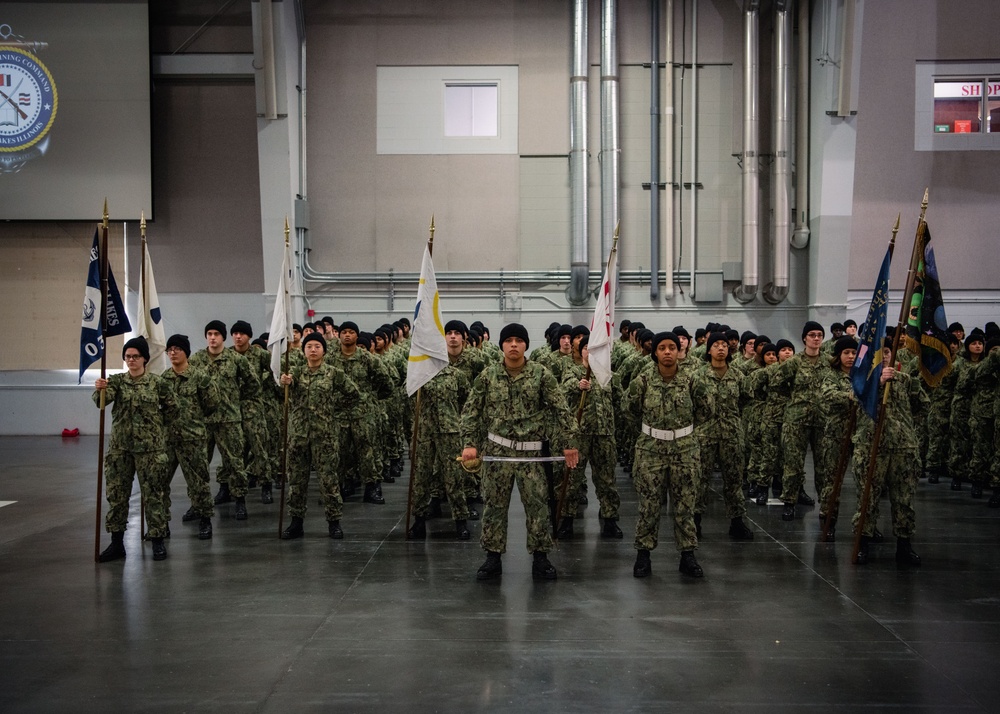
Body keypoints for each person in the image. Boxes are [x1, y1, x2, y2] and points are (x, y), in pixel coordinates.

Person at [460, 323, 580, 581]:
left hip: (531, 456)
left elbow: (561, 410)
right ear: (502, 345)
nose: (513, 344)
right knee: (494, 506)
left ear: (526, 345)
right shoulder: (488, 375)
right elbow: (471, 411)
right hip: (498, 452)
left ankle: (540, 556)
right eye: (509, 340)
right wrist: (470, 443)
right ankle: (492, 557)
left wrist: (570, 443)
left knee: (537, 506)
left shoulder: (541, 374)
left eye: (519, 340)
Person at [626, 332, 704, 578]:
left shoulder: (693, 379)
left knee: (685, 504)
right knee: (649, 505)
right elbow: (629, 410)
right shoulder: (643, 381)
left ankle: (688, 555)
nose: (668, 351)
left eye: (672, 347)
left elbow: (706, 409)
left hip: (685, 450)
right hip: (651, 450)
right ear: (655, 353)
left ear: (679, 350)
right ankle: (643, 555)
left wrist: (683, 432)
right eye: (662, 348)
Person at [93, 337, 172, 562]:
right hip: (121, 450)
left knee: (153, 494)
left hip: (151, 450)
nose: (131, 360)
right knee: (117, 495)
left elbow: (172, 409)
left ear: (145, 358)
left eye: (136, 356)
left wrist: (156, 431)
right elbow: (100, 402)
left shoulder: (158, 384)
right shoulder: (117, 382)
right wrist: (100, 388)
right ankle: (117, 543)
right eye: (128, 356)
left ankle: (157, 539)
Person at [279, 332, 363, 540]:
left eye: (317, 346)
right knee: (297, 480)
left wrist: (334, 411)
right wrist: (283, 384)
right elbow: (278, 397)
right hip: (298, 436)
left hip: (324, 436)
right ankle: (296, 521)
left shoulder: (334, 374)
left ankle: (334, 522)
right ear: (304, 350)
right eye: (309, 346)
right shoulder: (294, 374)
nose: (313, 350)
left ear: (324, 350)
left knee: (328, 480)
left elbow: (354, 394)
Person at [852, 340, 928, 565]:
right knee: (868, 497)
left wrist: (903, 426)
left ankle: (904, 545)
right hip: (870, 445)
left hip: (903, 448)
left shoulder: (905, 380)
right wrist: (876, 383)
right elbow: (853, 404)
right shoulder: (861, 381)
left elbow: (922, 404)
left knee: (903, 499)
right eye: (880, 352)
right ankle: (862, 543)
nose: (884, 356)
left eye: (887, 351)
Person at [189, 320, 260, 520]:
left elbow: (252, 384)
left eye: (216, 334)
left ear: (223, 337)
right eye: (209, 333)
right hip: (204, 422)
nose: (212, 337)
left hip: (229, 420)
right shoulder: (196, 360)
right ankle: (198, 503)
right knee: (199, 464)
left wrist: (237, 402)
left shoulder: (235, 359)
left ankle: (239, 501)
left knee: (235, 462)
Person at [557, 337, 623, 539]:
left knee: (606, 479)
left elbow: (620, 402)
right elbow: (562, 391)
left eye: (595, 349)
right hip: (580, 436)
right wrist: (578, 386)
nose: (590, 352)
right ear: (581, 351)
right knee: (572, 479)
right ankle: (567, 520)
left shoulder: (609, 376)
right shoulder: (573, 373)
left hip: (604, 435)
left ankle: (610, 518)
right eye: (586, 348)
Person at [690, 332, 754, 541]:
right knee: (700, 480)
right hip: (704, 435)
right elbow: (690, 404)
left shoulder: (737, 375)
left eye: (724, 345)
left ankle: (737, 521)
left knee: (734, 480)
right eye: (716, 345)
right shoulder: (697, 376)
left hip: (731, 435)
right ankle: (695, 521)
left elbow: (745, 398)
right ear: (709, 350)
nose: (721, 348)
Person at [161, 334, 217, 541]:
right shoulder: (163, 380)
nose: (173, 353)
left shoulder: (200, 377)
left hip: (192, 438)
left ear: (186, 352)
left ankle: (204, 520)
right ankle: (160, 524)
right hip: (168, 439)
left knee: (198, 482)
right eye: (170, 349)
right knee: (159, 482)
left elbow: (212, 404)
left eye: (177, 349)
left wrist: (193, 421)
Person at [774, 322, 828, 521]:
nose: (816, 338)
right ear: (804, 338)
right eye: (812, 335)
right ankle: (789, 501)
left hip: (822, 419)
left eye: (819, 335)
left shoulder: (829, 362)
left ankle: (826, 504)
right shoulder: (794, 362)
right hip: (796, 419)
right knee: (793, 463)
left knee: (824, 465)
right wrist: (794, 401)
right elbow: (778, 383)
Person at [815, 336, 858, 541]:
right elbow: (827, 395)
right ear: (838, 356)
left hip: (861, 434)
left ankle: (866, 524)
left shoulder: (864, 376)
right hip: (836, 434)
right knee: (832, 480)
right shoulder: (831, 376)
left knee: (865, 480)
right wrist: (849, 396)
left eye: (854, 353)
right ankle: (828, 519)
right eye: (846, 353)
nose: (850, 357)